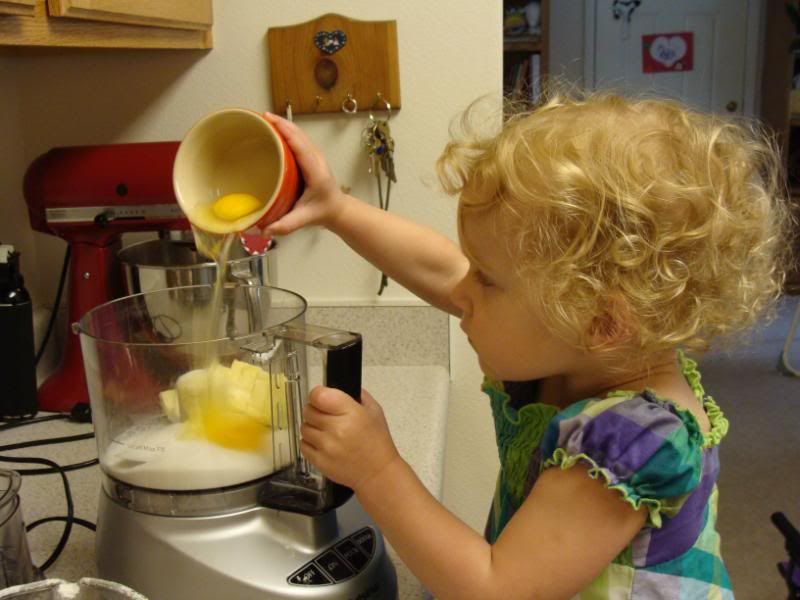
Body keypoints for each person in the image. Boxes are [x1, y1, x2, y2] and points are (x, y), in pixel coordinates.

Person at [261, 91, 792, 599]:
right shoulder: (580, 348)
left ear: (603, 321)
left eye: (487, 280)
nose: (461, 292)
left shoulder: (634, 441)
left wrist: (377, 470)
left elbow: (495, 588)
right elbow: (441, 269)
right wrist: (336, 208)